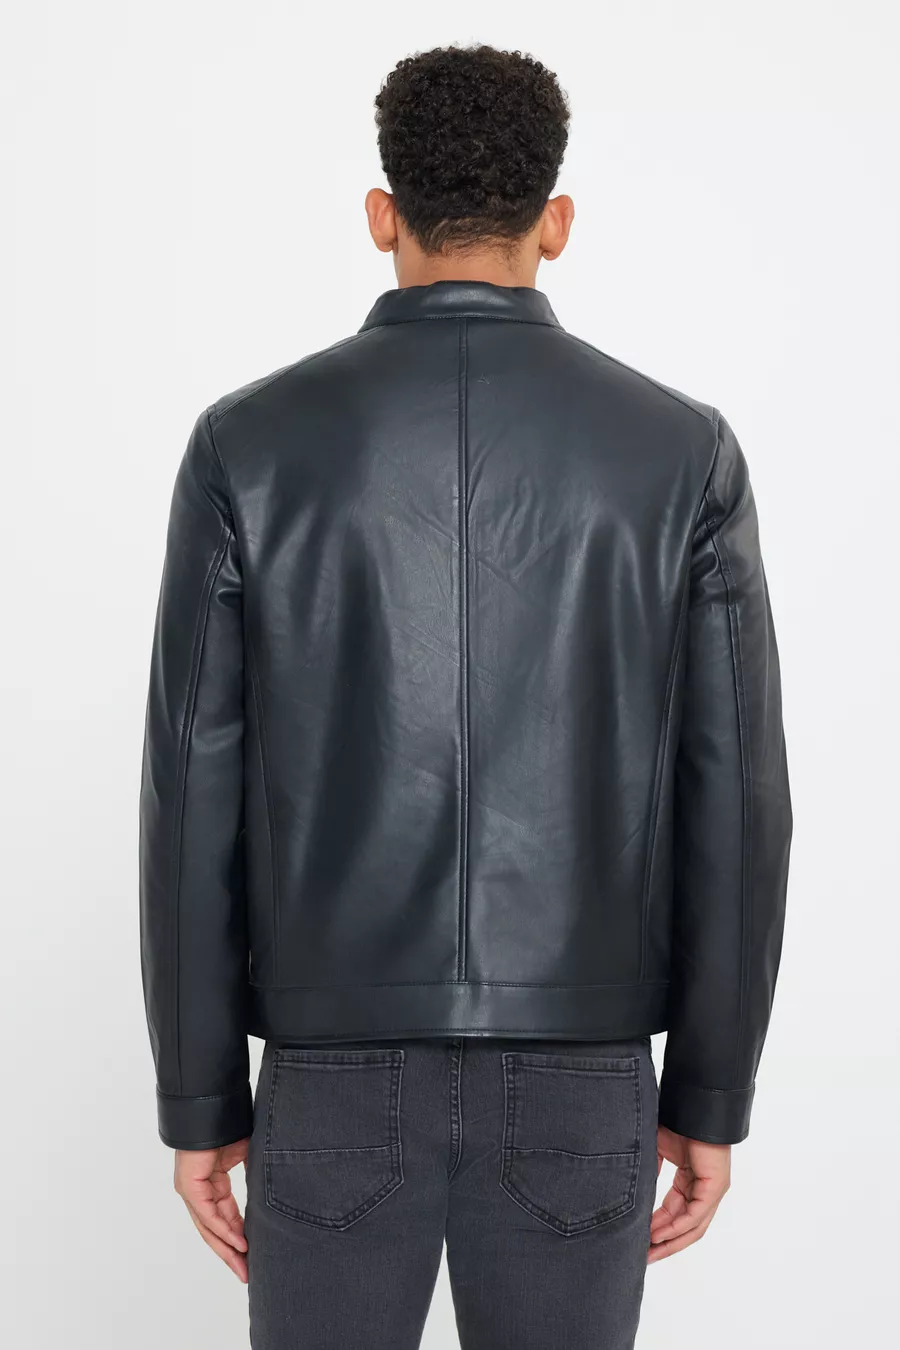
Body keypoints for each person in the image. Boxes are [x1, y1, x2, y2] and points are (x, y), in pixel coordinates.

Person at [139, 42, 792, 1350]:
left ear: (382, 215)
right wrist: (711, 1089)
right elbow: (737, 798)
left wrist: (201, 1098)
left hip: (332, 1075)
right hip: (581, 1072)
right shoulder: (682, 453)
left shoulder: (245, 445)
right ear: (558, 221)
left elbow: (190, 793)